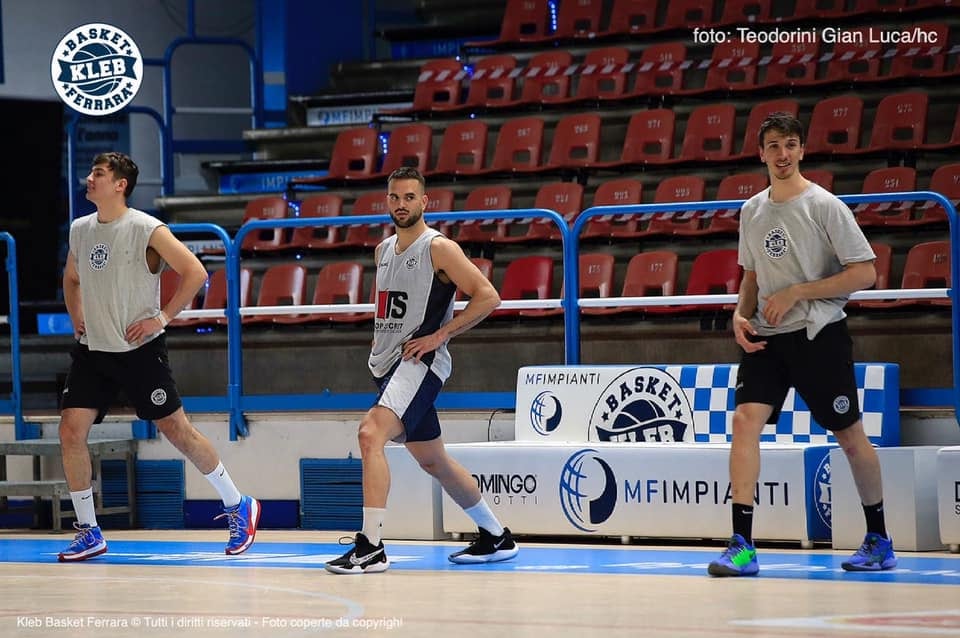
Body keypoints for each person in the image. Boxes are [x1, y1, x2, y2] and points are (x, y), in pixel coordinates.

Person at [708, 113, 896, 576]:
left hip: (818, 335)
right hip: (767, 340)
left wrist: (797, 292)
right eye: (774, 146)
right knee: (744, 420)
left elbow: (865, 272)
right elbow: (751, 274)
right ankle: (742, 544)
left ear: (802, 150)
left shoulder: (825, 206)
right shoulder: (751, 210)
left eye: (790, 145)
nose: (783, 154)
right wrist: (739, 313)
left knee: (849, 434)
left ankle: (879, 538)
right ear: (761, 153)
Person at [58, 152, 260, 562]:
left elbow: (196, 272)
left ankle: (238, 504)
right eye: (91, 173)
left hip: (139, 350)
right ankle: (89, 530)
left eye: (98, 174)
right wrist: (77, 316)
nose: (89, 179)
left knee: (178, 431)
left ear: (120, 185)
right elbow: (72, 277)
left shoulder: (146, 227)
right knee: (70, 431)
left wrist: (162, 317)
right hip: (94, 350)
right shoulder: (80, 230)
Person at [325, 167, 519, 574]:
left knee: (369, 434)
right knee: (434, 461)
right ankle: (496, 536)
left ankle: (371, 546)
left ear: (424, 202)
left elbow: (488, 297)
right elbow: (391, 310)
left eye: (409, 197)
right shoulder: (382, 250)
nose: (401, 204)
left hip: (419, 364)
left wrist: (439, 336)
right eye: (395, 197)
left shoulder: (439, 248)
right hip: (387, 365)